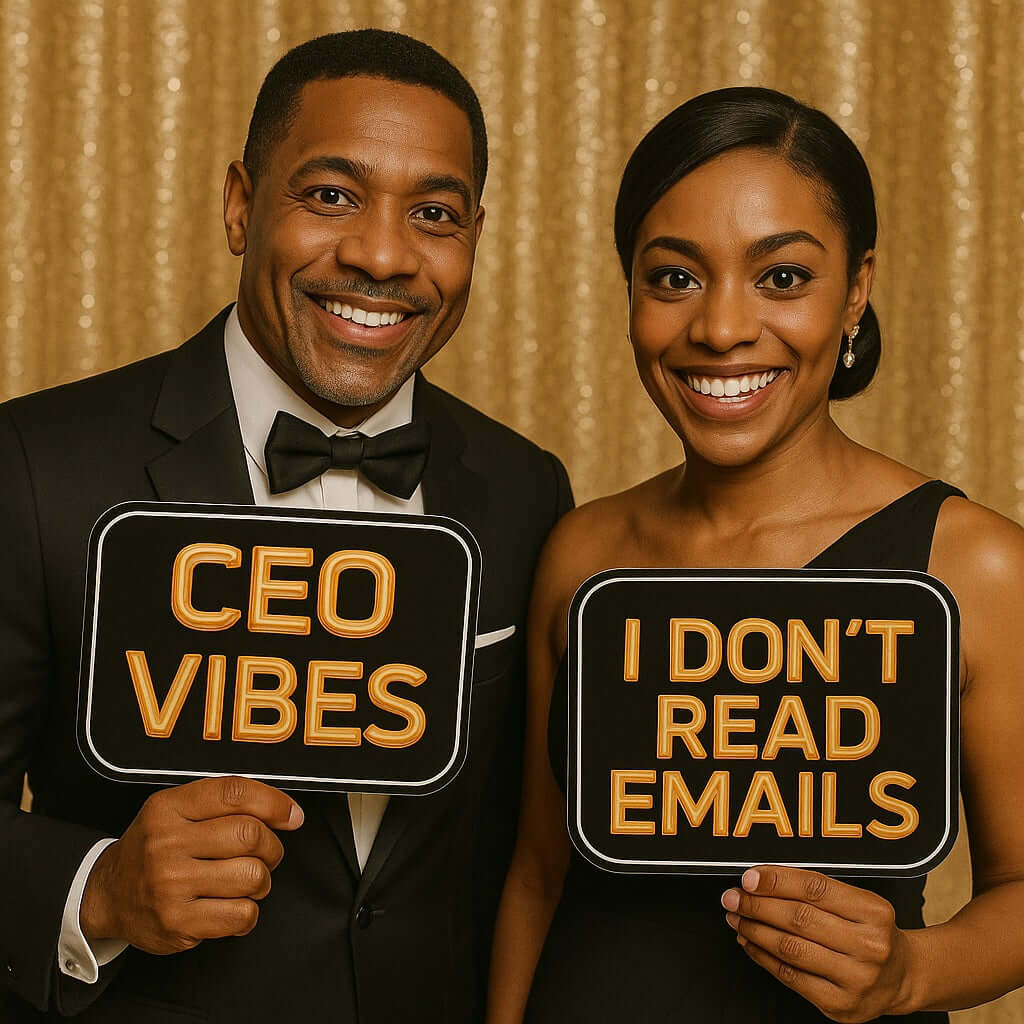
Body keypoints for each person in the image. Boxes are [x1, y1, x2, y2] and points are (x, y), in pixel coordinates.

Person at [0, 29, 571, 1024]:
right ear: (239, 205)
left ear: (475, 234)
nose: (381, 254)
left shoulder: (525, 491)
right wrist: (97, 886)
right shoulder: (38, 466)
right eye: (331, 196)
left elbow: (524, 853)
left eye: (432, 213)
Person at [487, 87, 1024, 1023]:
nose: (722, 329)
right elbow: (536, 876)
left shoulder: (975, 567)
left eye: (782, 278)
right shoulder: (584, 550)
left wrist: (911, 973)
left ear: (856, 288)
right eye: (674, 278)